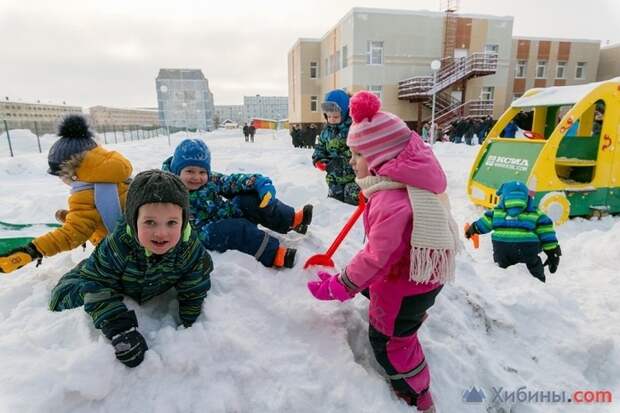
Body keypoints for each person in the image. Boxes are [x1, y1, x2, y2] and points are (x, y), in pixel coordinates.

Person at [307, 91, 459, 412]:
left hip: (405, 286)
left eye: (357, 154)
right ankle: (409, 320)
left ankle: (417, 394)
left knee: (389, 342)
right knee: (385, 301)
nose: (351, 161)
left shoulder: (393, 201)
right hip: (417, 276)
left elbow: (376, 257)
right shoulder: (401, 186)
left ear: (380, 158)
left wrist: (341, 285)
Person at [49, 170, 213, 368]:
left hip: (145, 280)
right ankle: (86, 267)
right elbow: (96, 283)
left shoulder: (189, 248)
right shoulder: (118, 245)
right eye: (150, 222)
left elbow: (195, 284)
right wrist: (120, 329)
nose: (161, 233)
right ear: (133, 220)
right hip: (106, 274)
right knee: (62, 298)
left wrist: (190, 324)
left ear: (184, 221)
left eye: (172, 223)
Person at [0, 115, 132, 274]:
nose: (62, 181)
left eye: (61, 176)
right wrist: (72, 216)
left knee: (76, 280)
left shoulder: (88, 192)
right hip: (141, 243)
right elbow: (101, 214)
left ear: (73, 172)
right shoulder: (115, 178)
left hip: (127, 258)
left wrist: (33, 250)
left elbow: (73, 234)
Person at [163, 138, 313, 268]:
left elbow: (231, 181)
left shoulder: (209, 181)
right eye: (190, 171)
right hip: (205, 232)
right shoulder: (170, 192)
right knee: (238, 230)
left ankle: (291, 219)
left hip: (225, 214)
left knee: (248, 200)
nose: (197, 177)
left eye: (202, 172)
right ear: (177, 171)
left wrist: (260, 183)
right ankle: (274, 254)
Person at [465, 180, 561, 282]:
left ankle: (502, 285)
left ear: (503, 198)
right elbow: (546, 233)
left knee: (502, 272)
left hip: (502, 249)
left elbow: (483, 224)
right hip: (526, 249)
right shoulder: (536, 214)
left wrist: (473, 229)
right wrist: (552, 253)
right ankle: (539, 284)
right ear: (527, 198)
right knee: (533, 269)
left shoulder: (497, 212)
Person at [311, 89, 360, 206]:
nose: (332, 120)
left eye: (336, 117)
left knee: (351, 206)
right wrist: (319, 159)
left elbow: (358, 151)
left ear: (345, 113)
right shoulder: (325, 132)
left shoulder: (353, 129)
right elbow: (320, 147)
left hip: (353, 179)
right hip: (333, 179)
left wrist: (341, 160)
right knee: (334, 206)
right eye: (329, 117)